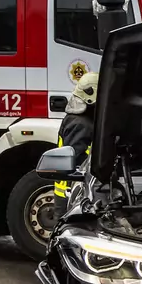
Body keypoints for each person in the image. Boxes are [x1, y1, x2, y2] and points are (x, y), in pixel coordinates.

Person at [53, 72, 98, 214]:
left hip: (72, 194)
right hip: (72, 196)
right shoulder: (81, 124)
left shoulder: (77, 120)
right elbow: (77, 162)